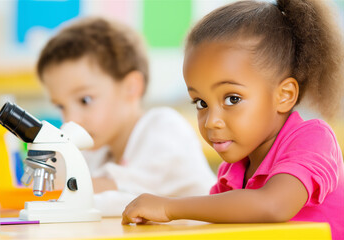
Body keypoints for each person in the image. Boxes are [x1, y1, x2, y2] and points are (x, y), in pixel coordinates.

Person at [121, 1, 344, 239]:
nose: (211, 122)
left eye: (232, 99)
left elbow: (273, 206)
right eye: (201, 103)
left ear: (284, 95)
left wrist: (169, 207)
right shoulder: (233, 170)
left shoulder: (312, 138)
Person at [36, 17, 216, 216]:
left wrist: (61, 183)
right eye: (61, 106)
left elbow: (132, 197)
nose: (71, 119)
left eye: (85, 100)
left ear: (131, 87)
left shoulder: (163, 127)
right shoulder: (96, 151)